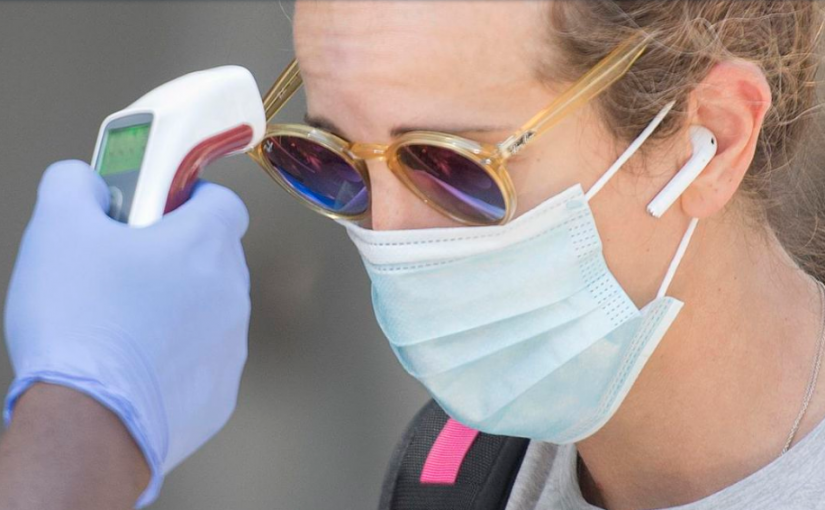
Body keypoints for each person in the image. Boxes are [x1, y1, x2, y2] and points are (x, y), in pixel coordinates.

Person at [1, 1, 824, 509]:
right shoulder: (454, 470)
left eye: (451, 165)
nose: (388, 237)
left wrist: (79, 427)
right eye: (326, 161)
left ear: (712, 140)